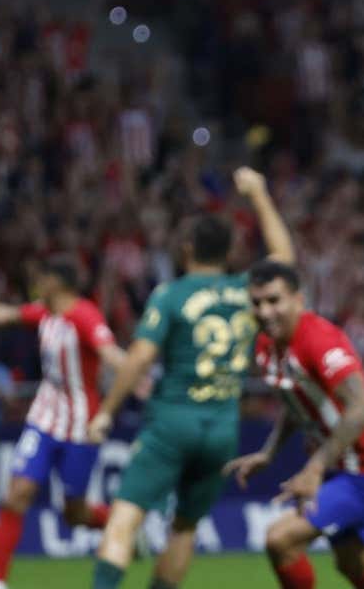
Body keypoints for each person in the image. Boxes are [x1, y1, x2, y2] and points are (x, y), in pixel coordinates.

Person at [86, 167, 293, 589]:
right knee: (184, 528)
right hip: (222, 427)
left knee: (125, 518)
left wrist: (107, 411)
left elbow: (140, 357)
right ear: (230, 250)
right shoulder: (247, 292)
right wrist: (260, 194)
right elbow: (284, 261)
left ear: (185, 248)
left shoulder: (172, 294)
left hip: (171, 421)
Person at [0, 256, 126, 589]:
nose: (36, 283)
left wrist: (137, 374)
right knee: (16, 495)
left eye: (40, 278)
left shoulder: (84, 315)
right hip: (44, 418)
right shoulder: (45, 312)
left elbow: (111, 352)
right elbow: (4, 315)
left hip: (80, 426)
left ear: (55, 282)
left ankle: (122, 524)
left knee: (75, 514)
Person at [223, 259, 364, 589]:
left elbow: (360, 408)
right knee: (353, 562)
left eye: (274, 301)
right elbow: (296, 406)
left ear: (298, 299)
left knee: (281, 539)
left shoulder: (319, 340)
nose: (264, 311)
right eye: (257, 302)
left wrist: (315, 468)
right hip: (339, 468)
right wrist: (269, 452)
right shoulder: (267, 346)